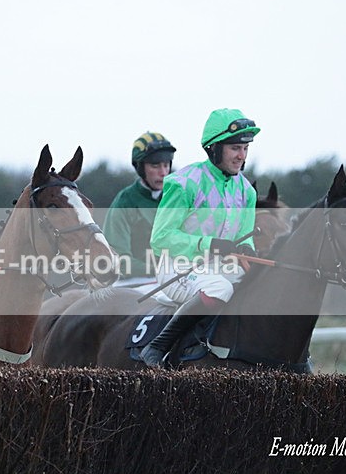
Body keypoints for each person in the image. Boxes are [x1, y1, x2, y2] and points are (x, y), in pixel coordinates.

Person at [139, 108, 260, 367]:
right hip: (177, 267)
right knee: (220, 288)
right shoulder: (184, 183)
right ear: (214, 148)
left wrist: (248, 250)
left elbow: (244, 238)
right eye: (235, 148)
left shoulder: (247, 191)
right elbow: (160, 237)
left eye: (245, 148)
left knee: (264, 284)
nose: (241, 156)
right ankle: (157, 347)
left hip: (219, 267)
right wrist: (209, 245)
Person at [103, 132, 176, 283]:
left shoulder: (177, 196)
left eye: (166, 165)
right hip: (135, 281)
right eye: (155, 166)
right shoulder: (125, 202)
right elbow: (118, 260)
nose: (163, 173)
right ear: (141, 168)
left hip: (178, 276)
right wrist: (160, 271)